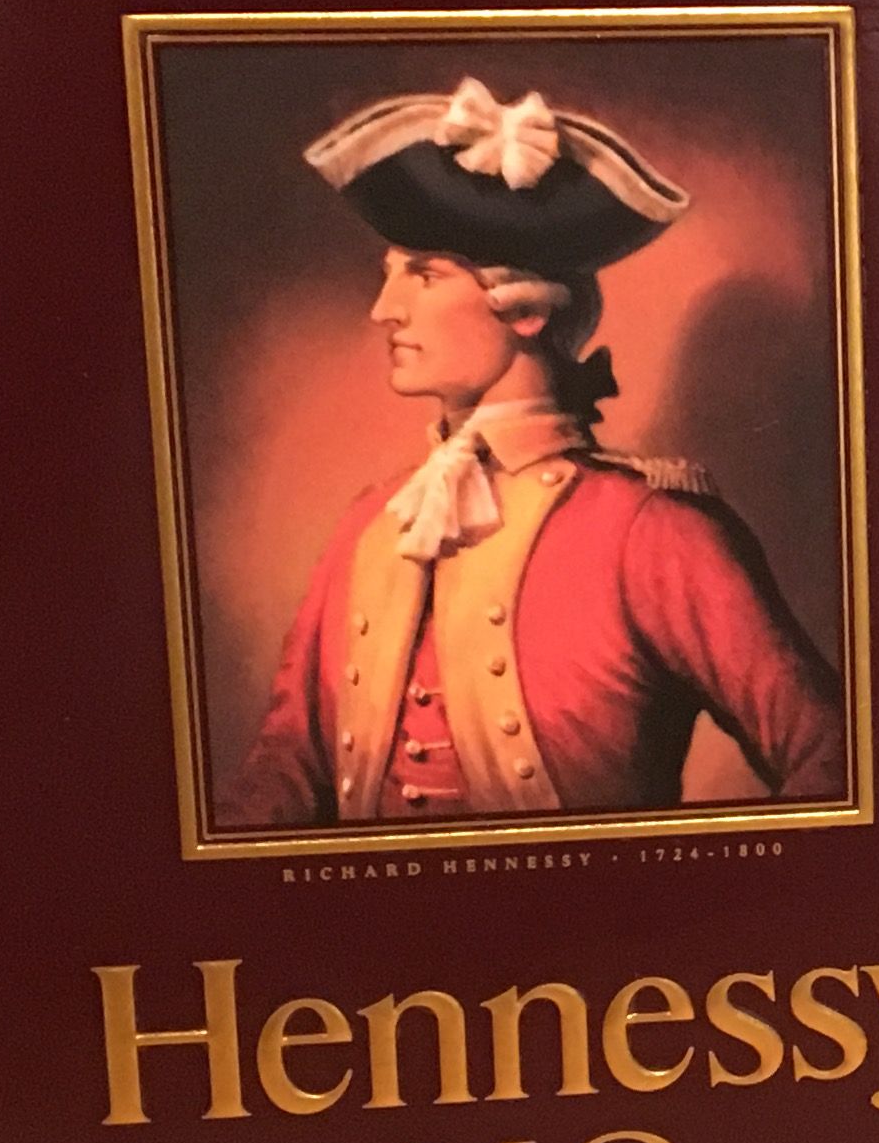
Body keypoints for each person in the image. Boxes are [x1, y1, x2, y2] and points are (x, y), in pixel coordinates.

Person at [227, 77, 847, 829]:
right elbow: (283, 772)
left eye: (423, 275)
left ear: (524, 309)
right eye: (389, 276)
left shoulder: (650, 532)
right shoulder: (371, 524)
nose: (385, 309)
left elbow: (835, 758)